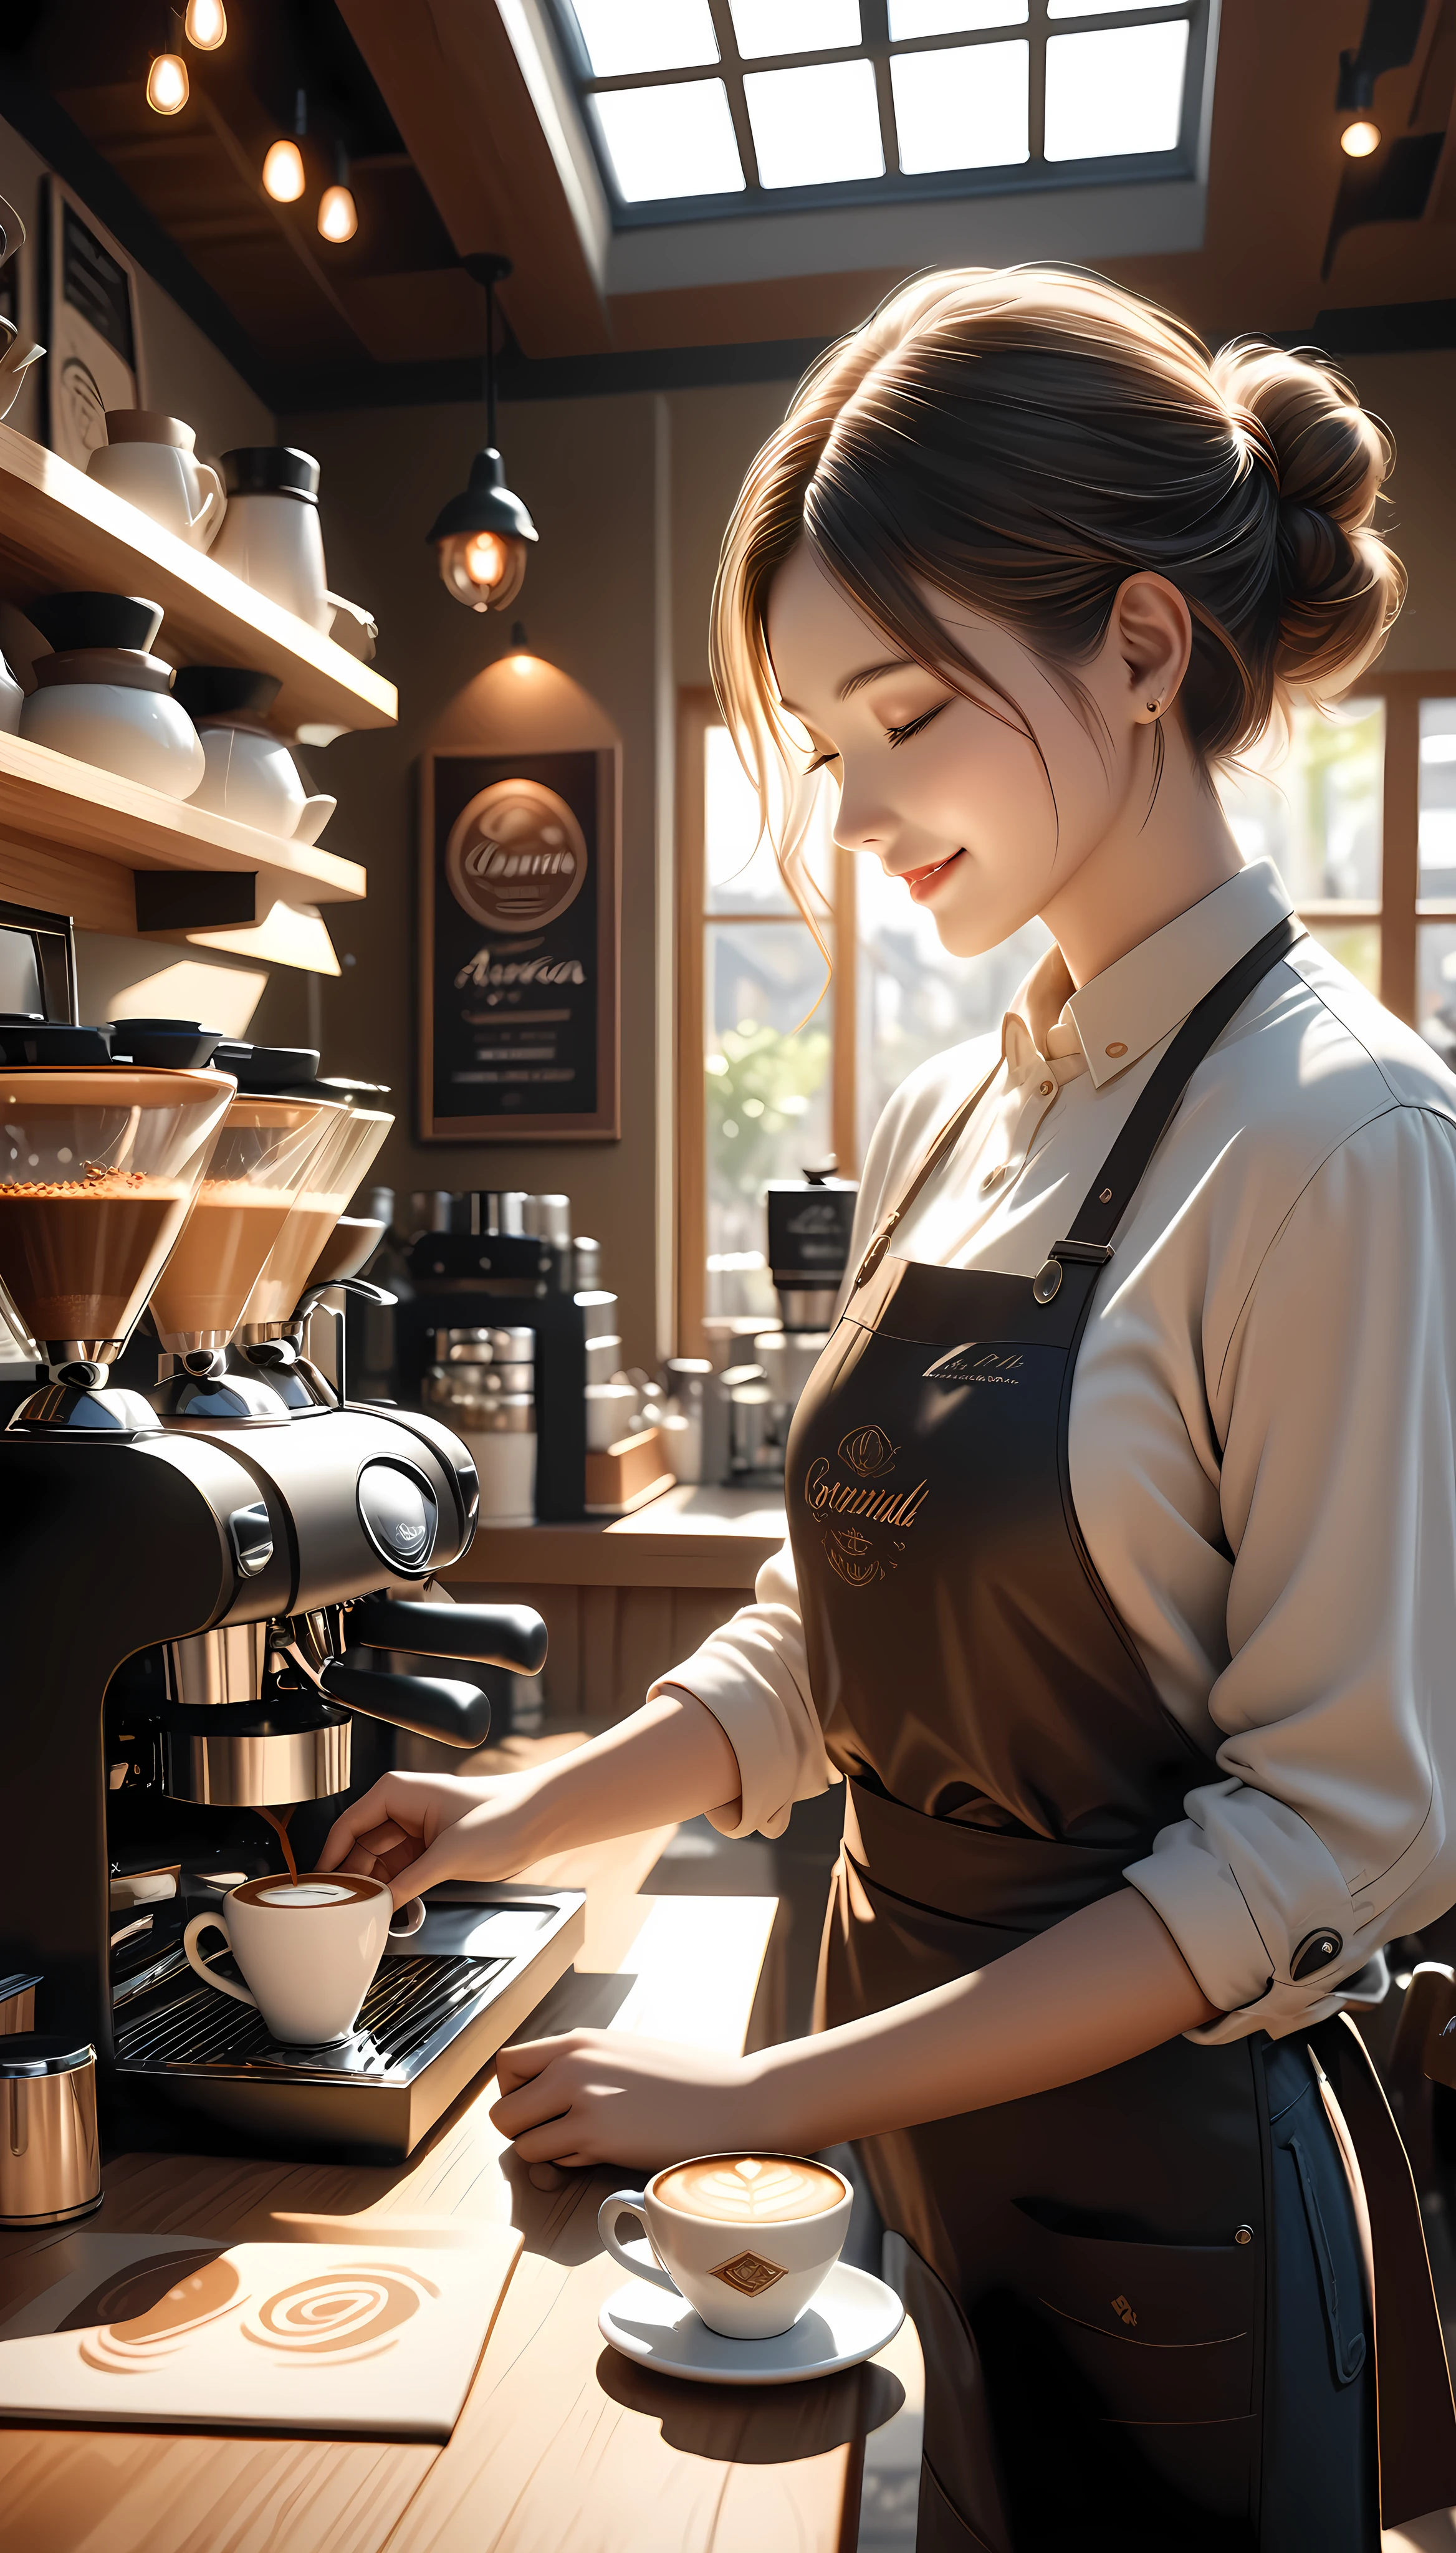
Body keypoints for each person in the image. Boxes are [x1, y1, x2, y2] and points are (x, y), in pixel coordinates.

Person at [323, 267, 1456, 2550]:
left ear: (1147, 649)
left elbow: (1334, 1839)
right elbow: (818, 1648)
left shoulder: (1343, 1146)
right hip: (896, 2166)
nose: (853, 814)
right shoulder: (959, 1110)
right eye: (829, 745)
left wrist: (754, 2084)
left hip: (1177, 2229)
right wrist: (516, 1811)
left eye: (907, 715)